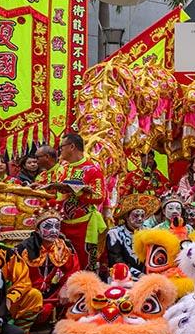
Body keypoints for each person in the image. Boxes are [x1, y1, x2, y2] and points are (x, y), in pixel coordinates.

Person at [43, 131, 104, 270]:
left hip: (83, 225)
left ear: (72, 147)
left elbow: (100, 196)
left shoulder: (92, 170)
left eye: (61, 147)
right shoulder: (62, 169)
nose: (60, 150)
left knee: (85, 265)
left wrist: (78, 192)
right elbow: (58, 194)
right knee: (63, 264)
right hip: (62, 225)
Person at [0, 211, 43, 334]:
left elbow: (23, 281)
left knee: (34, 295)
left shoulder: (7, 253)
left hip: (3, 301)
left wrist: (10, 298)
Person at [17, 208, 80, 310]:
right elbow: (17, 279)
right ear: (37, 230)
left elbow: (73, 270)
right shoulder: (24, 249)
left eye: (57, 226)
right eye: (48, 226)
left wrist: (66, 287)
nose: (54, 230)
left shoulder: (63, 247)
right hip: (28, 295)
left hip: (53, 294)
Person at [107, 194, 152, 276]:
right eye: (136, 215)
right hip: (122, 276)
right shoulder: (115, 233)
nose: (140, 219)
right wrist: (138, 274)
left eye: (142, 216)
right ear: (126, 216)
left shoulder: (148, 232)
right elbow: (116, 260)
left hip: (146, 276)